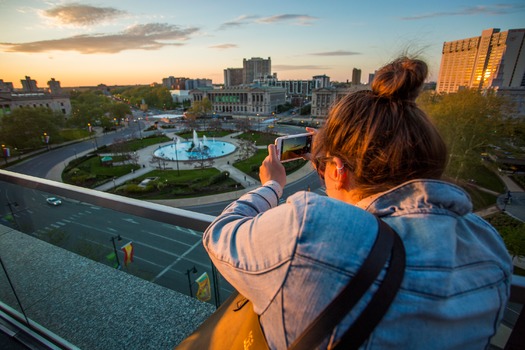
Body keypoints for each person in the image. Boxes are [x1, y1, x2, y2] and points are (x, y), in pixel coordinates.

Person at [203, 56, 512, 349]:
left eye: (326, 165)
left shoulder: (308, 227)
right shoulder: (489, 247)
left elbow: (218, 234)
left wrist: (273, 185)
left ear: (338, 168)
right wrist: (336, 158)